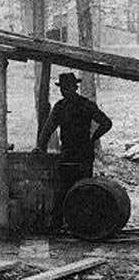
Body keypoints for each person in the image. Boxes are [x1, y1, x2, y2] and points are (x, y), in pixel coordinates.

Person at [33, 72, 112, 231]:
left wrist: (40, 147)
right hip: (81, 155)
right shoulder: (84, 105)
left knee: (66, 190)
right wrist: (93, 138)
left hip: (71, 155)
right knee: (82, 190)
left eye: (65, 88)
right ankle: (80, 225)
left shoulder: (62, 107)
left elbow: (48, 130)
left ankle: (60, 224)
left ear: (70, 88)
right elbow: (106, 123)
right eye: (63, 88)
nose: (63, 91)